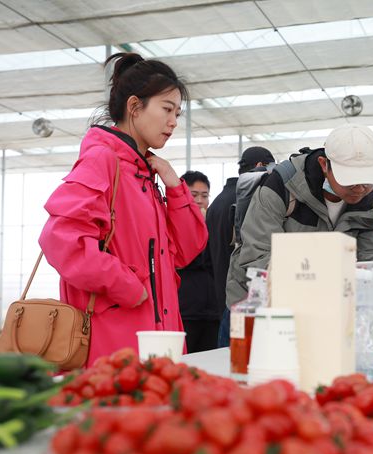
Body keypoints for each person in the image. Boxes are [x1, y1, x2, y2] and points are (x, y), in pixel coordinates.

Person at [39, 52, 207, 366]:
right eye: (167, 109)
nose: (173, 122)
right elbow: (61, 240)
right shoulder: (103, 160)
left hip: (161, 339)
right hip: (117, 347)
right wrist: (129, 287)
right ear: (134, 107)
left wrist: (174, 188)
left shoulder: (145, 173)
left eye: (177, 114)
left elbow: (187, 249)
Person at [225, 124, 373, 308]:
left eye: (367, 181)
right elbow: (258, 255)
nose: (360, 189)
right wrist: (315, 283)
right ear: (324, 165)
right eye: (350, 181)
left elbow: (372, 252)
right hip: (259, 304)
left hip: (325, 305)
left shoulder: (368, 197)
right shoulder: (282, 186)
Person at [206, 146, 275, 349]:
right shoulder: (251, 199)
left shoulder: (216, 203)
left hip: (222, 292)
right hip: (245, 295)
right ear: (260, 166)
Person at [177, 171, 221, 353]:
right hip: (186, 310)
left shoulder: (213, 221)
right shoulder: (174, 223)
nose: (199, 200)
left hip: (211, 311)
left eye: (204, 196)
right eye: (194, 195)